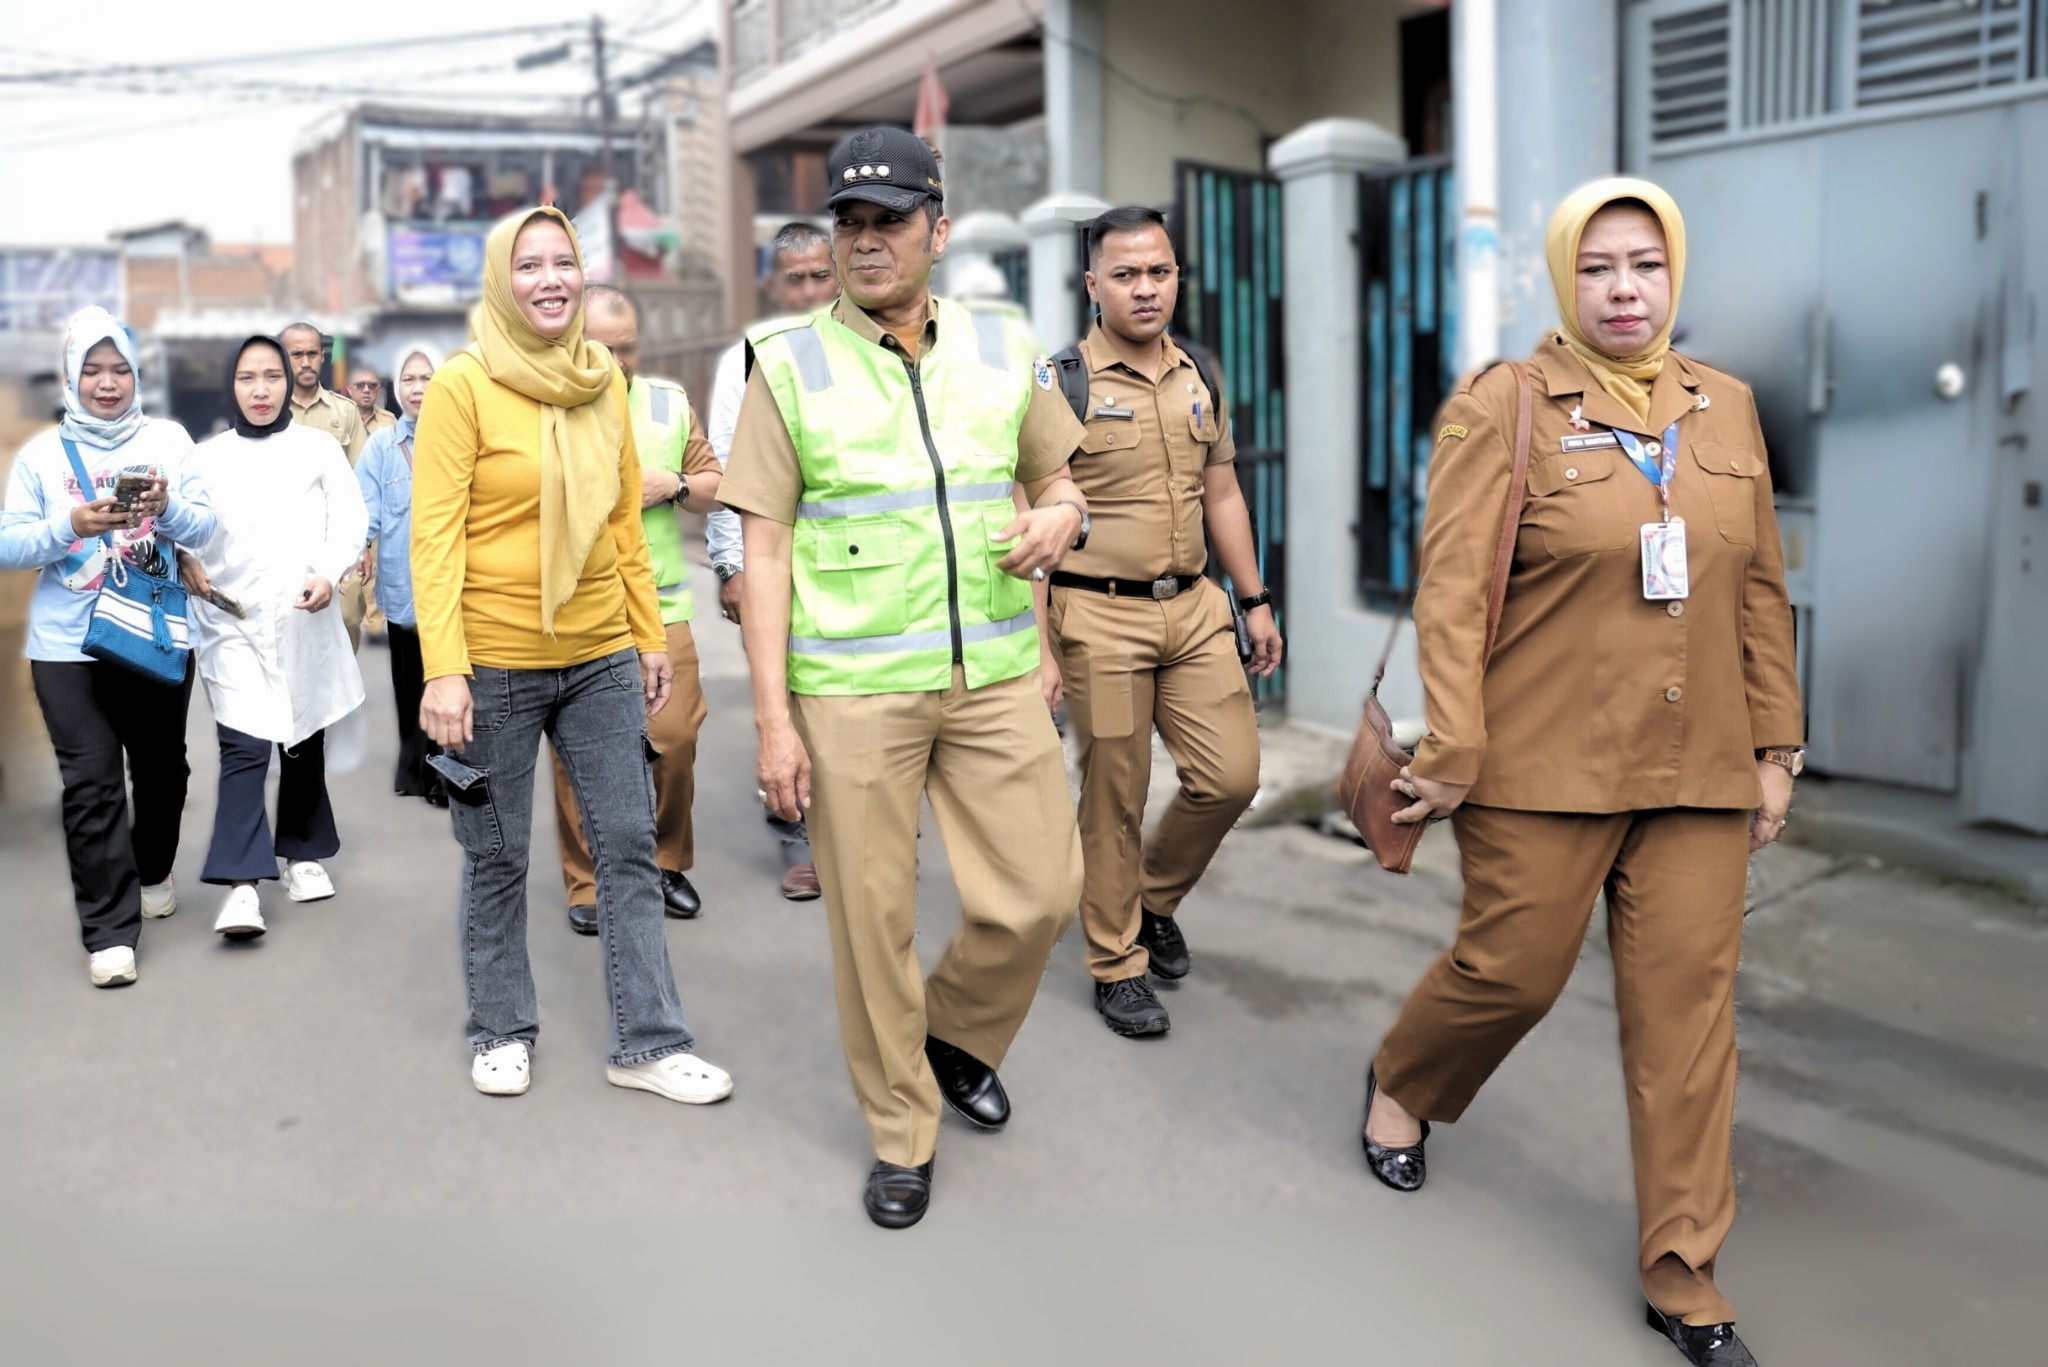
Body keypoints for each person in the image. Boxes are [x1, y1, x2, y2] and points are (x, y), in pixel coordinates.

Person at [1360, 180, 1800, 1367]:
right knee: (1510, 972)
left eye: (1644, 267)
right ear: (1562, 277)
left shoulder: (1726, 408)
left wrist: (1772, 745)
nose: (1622, 289)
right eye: (1597, 266)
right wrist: (1448, 741)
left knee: (1686, 1026)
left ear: (1673, 278)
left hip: (1697, 764)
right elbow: (1450, 589)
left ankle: (1684, 1274)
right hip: (1537, 760)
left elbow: (1757, 585)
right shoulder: (1504, 404)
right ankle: (1405, 1072)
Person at [724, 126, 1089, 1228]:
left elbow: (1056, 480)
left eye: (887, 219)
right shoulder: (784, 364)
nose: (864, 240)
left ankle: (950, 1032)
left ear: (935, 226)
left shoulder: (1001, 344)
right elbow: (765, 547)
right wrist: (774, 724)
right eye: (848, 222)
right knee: (869, 917)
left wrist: (1061, 524)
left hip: (991, 675)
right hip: (849, 694)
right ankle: (900, 1125)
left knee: (1039, 893)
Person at [410, 205, 730, 1107]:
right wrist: (443, 669)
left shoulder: (600, 379)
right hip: (496, 660)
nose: (549, 279)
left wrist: (643, 634)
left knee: (628, 845)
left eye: (563, 263)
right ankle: (501, 1027)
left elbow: (623, 520)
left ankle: (649, 1041)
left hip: (597, 654)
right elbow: (433, 539)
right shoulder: (466, 386)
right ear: (499, 281)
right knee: (497, 851)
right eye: (529, 264)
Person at [1044, 206, 1282, 1038]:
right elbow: (1030, 514)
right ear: (1092, 284)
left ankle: (1149, 898)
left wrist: (1252, 599)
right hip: (1098, 619)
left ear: (1177, 275)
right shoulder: (1060, 382)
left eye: (1160, 271)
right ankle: (1116, 961)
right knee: (1115, 792)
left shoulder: (1200, 372)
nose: (1146, 288)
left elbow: (1222, 493)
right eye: (1126, 274)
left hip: (1195, 613)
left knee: (1231, 777)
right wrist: (1042, 644)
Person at [1, 308, 217, 987]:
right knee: (91, 784)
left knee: (161, 771)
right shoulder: (40, 455)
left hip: (150, 632)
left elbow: (206, 525)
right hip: (66, 645)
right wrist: (69, 525)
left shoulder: (169, 439)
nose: (106, 382)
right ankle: (108, 930)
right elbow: (9, 544)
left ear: (136, 372)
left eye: (118, 368)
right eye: (91, 370)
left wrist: (166, 508)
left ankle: (152, 867)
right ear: (71, 376)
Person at [179, 335, 368, 940]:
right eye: (245, 378)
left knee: (303, 733)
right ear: (229, 387)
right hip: (229, 618)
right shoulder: (206, 456)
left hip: (301, 613)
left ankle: (304, 853)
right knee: (244, 744)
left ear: (289, 382)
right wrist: (183, 555)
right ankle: (240, 885)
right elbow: (184, 522)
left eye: (271, 376)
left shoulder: (317, 448)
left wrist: (329, 571)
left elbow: (351, 516)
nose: (260, 390)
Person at [549, 284, 723, 935]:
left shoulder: (667, 404)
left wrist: (671, 483)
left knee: (675, 741)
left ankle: (666, 860)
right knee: (576, 756)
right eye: (602, 347)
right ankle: (587, 879)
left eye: (628, 348)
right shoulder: (542, 404)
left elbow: (716, 484)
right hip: (576, 612)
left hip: (664, 607)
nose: (617, 361)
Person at [705, 220, 836, 902]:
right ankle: (795, 833)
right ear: (772, 283)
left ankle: (868, 831)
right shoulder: (749, 357)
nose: (810, 289)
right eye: (796, 277)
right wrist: (731, 567)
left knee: (850, 702)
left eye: (821, 274)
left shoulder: (861, 344)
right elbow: (729, 468)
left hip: (850, 564)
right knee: (782, 696)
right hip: (771, 559)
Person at [355, 341, 445, 805]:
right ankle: (418, 769)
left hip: (455, 586)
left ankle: (444, 771)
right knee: (410, 683)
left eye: (427, 377)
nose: (417, 388)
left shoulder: (460, 436)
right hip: (404, 585)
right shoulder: (381, 447)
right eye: (409, 379)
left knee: (450, 677)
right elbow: (365, 512)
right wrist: (352, 550)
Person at [282, 322, 371, 649]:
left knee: (346, 619)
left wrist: (364, 547)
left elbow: (363, 481)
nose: (305, 362)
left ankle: (344, 695)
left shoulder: (345, 412)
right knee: (291, 625)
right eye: (296, 354)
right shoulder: (271, 412)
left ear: (323, 357)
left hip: (338, 538)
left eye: (312, 354)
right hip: (286, 539)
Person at [347, 364, 398, 439]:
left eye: (372, 386)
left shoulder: (389, 421)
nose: (366, 390)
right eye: (360, 385)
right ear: (350, 389)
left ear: (378, 390)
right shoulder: (339, 417)